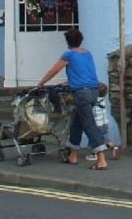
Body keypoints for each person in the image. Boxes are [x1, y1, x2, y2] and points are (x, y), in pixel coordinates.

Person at [36, 28, 109, 170]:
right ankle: (73, 155)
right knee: (77, 123)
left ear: (67, 42)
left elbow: (53, 71)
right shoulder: (87, 53)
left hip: (81, 94)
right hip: (93, 91)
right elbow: (85, 73)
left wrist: (41, 83)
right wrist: (71, 81)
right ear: (81, 40)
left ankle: (101, 159)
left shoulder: (68, 55)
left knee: (89, 125)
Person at [86, 83, 122, 162]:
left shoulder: (94, 102)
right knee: (105, 138)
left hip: (96, 124)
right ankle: (113, 147)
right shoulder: (102, 100)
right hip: (104, 123)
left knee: (94, 139)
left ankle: (94, 154)